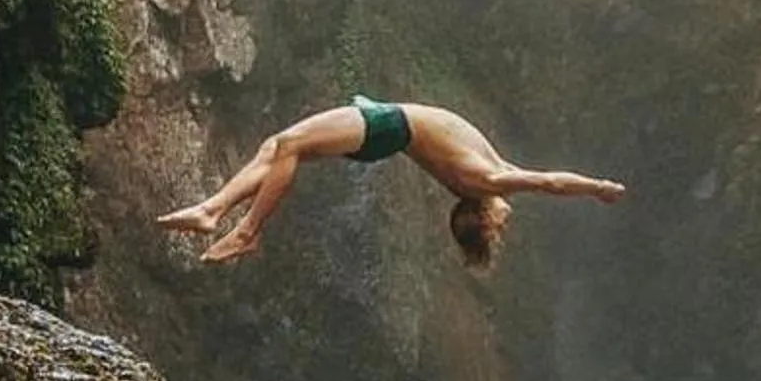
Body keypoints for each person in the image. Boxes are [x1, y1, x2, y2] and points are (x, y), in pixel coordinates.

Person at [156, 94, 624, 269]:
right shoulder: (492, 168)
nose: (508, 216)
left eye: (499, 226)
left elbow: (548, 184)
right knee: (277, 145)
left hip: (388, 125)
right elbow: (543, 182)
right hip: (386, 121)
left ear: (481, 212)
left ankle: (247, 230)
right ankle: (213, 209)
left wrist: (595, 187)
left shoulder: (485, 179)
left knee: (290, 146)